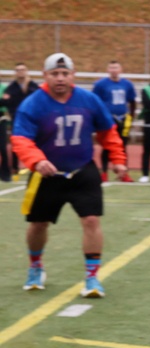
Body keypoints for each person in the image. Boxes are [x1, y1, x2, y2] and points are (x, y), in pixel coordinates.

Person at [11, 53, 127, 297]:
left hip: (82, 169)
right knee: (38, 224)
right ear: (45, 76)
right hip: (46, 174)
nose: (60, 78)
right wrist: (37, 160)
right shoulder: (33, 103)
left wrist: (118, 159)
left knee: (92, 220)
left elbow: (108, 131)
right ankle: (35, 266)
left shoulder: (88, 99)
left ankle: (92, 277)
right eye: (55, 74)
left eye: (65, 73)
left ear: (73, 75)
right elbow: (21, 139)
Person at [92, 60, 137, 182]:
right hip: (108, 119)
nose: (114, 70)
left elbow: (132, 101)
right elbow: (94, 102)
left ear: (120, 69)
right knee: (107, 146)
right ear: (107, 70)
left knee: (123, 147)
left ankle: (123, 173)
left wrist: (131, 117)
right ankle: (104, 172)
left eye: (116, 67)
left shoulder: (127, 84)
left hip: (122, 118)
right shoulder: (101, 84)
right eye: (111, 68)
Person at [4, 63, 41, 179]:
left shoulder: (32, 85)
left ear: (26, 71)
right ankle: (15, 168)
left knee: (37, 142)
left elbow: (39, 97)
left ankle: (37, 165)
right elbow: (6, 102)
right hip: (17, 120)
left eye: (22, 70)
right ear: (15, 72)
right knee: (16, 143)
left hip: (32, 119)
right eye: (18, 70)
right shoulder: (12, 87)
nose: (20, 72)